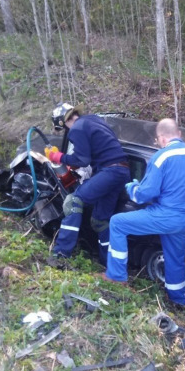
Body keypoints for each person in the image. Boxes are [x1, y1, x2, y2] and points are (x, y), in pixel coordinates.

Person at [104, 118, 185, 306]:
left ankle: (116, 277)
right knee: (175, 258)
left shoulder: (161, 157)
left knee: (117, 223)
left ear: (160, 138)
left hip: (167, 215)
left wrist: (132, 187)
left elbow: (145, 194)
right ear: (180, 134)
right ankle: (177, 300)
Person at [46, 103, 130, 265]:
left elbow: (82, 159)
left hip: (109, 172)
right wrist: (73, 162)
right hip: (122, 171)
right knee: (101, 220)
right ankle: (108, 263)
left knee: (73, 202)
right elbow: (93, 152)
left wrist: (59, 157)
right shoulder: (94, 120)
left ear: (62, 122)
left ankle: (61, 254)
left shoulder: (77, 128)